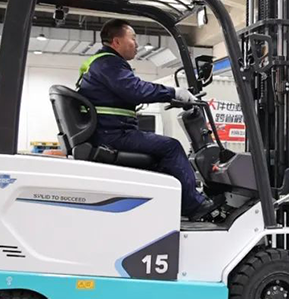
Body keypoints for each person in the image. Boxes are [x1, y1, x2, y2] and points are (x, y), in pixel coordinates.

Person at [77, 18, 217, 220]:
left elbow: (129, 92)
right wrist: (173, 92)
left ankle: (172, 204)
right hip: (113, 134)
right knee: (171, 147)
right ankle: (195, 206)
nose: (137, 44)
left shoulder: (101, 63)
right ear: (116, 41)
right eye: (133, 38)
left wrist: (169, 96)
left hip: (107, 131)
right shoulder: (109, 63)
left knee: (160, 156)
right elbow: (135, 90)